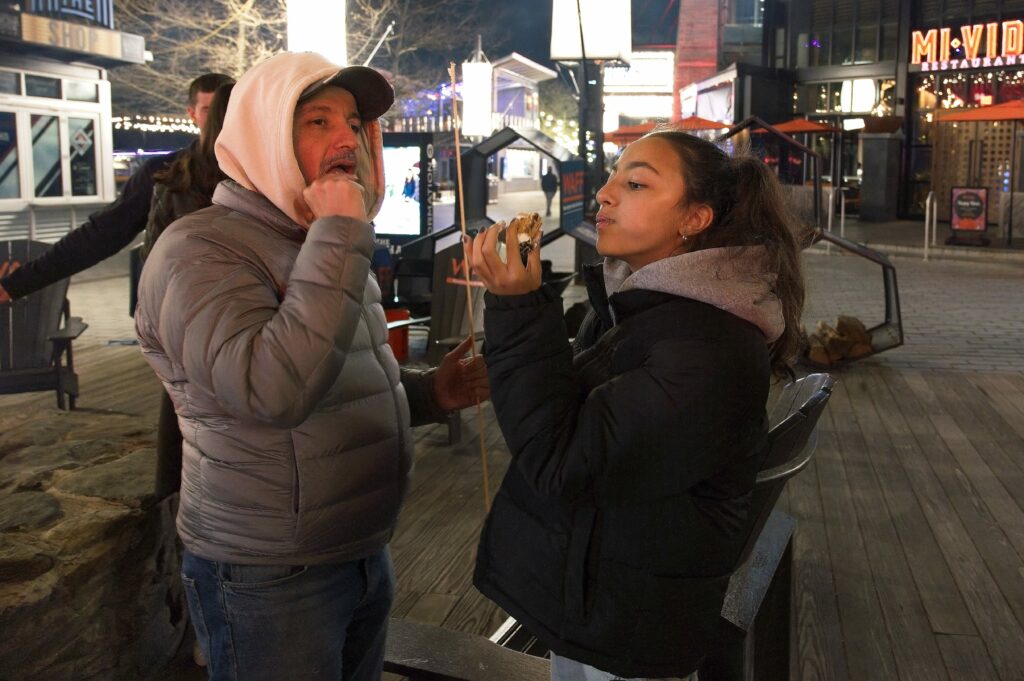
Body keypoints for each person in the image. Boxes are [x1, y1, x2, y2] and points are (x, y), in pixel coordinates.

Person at [134, 51, 489, 681]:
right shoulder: (200, 249)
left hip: (357, 548)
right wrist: (340, 235)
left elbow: (337, 378)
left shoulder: (316, 235)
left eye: (352, 123)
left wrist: (434, 392)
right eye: (317, 122)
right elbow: (271, 390)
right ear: (264, 134)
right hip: (269, 569)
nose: (346, 139)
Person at [466, 129, 805, 680]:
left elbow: (563, 460)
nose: (604, 193)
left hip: (630, 624)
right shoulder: (643, 305)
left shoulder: (709, 347)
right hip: (595, 596)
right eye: (612, 177)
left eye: (637, 183)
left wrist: (519, 308)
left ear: (694, 219)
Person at [0, 73, 234, 304]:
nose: (218, 119)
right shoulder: (165, 173)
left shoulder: (250, 171)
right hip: (177, 307)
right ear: (192, 114)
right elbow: (102, 233)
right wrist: (17, 283)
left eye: (225, 109)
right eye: (209, 110)